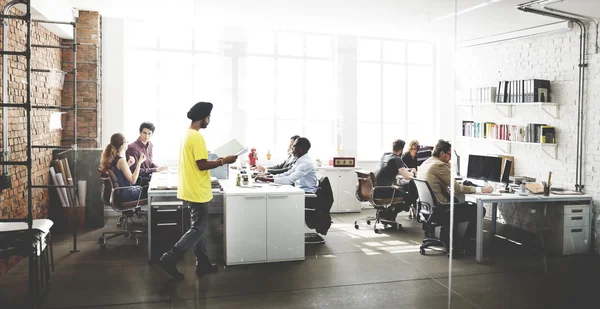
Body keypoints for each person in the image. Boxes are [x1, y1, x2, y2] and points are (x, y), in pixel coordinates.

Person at [159, 102, 238, 280]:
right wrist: (224, 161)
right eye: (208, 117)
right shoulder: (197, 137)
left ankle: (203, 263)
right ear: (203, 117)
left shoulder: (187, 135)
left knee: (198, 229)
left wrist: (219, 160)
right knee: (198, 229)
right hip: (197, 190)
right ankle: (170, 257)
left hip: (189, 188)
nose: (209, 121)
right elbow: (201, 164)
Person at [417, 139, 492, 239]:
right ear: (442, 153)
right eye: (449, 154)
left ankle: (452, 238)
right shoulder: (439, 165)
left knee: (457, 201)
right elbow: (458, 188)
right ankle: (468, 242)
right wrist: (482, 190)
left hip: (428, 208)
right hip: (441, 209)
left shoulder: (427, 162)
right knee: (479, 209)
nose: (451, 158)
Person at [373, 139, 415, 222]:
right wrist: (413, 172)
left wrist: (403, 170)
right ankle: (390, 215)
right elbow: (406, 177)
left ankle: (385, 213)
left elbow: (388, 170)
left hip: (376, 189)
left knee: (402, 190)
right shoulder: (397, 159)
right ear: (402, 149)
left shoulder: (385, 155)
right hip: (384, 191)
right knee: (409, 196)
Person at [100, 133, 148, 203]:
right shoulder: (121, 161)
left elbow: (117, 172)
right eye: (126, 142)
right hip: (124, 195)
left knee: (145, 187)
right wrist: (139, 163)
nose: (127, 144)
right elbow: (133, 180)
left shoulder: (112, 158)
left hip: (119, 194)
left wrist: (128, 165)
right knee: (149, 190)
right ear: (122, 144)